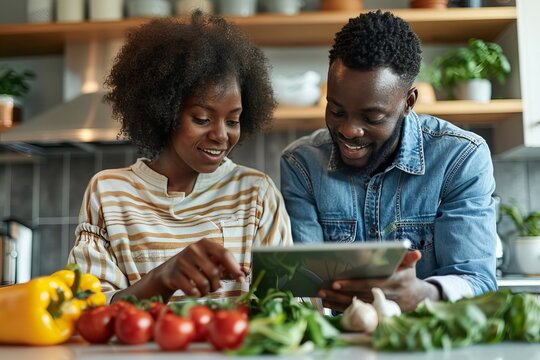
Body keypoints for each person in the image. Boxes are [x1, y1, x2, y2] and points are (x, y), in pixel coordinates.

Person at [280, 10, 497, 312]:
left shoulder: (459, 157)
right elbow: (305, 287)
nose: (348, 130)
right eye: (337, 110)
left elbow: (478, 280)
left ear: (408, 102)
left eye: (372, 117)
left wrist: (422, 293)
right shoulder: (301, 164)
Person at [68, 12, 292, 304]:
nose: (221, 135)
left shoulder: (256, 193)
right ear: (163, 112)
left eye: (233, 121)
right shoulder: (109, 192)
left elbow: (288, 304)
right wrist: (159, 280)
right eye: (201, 119)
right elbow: (87, 308)